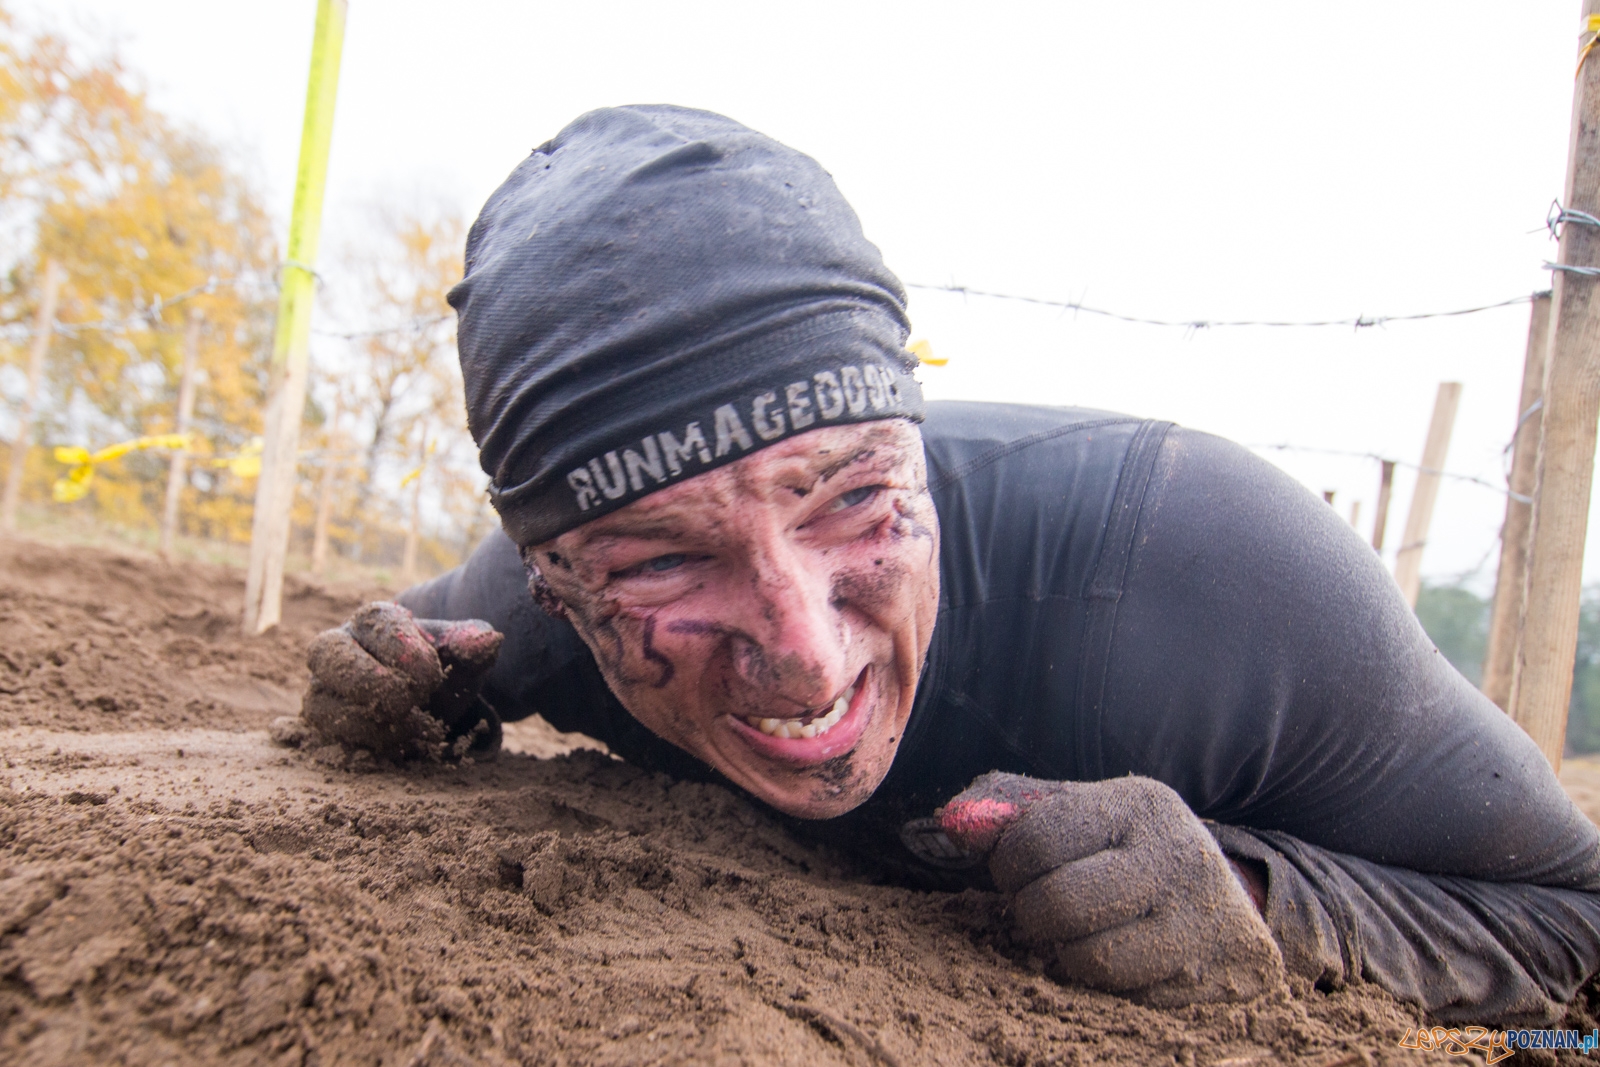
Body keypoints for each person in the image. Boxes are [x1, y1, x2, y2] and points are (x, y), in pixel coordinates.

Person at [300, 105, 1600, 1024]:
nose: (802, 648)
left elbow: (1569, 917)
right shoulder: (524, 624)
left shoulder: (1203, 577)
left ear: (917, 445)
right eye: (662, 564)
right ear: (556, 584)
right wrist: (372, 690)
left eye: (852, 502)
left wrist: (1272, 900)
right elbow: (391, 663)